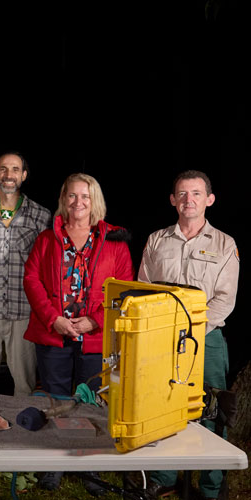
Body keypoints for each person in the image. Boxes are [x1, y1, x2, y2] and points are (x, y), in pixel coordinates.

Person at [23, 173, 134, 494]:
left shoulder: (114, 241)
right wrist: (53, 318)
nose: (78, 202)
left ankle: (89, 465)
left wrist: (95, 321)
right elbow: (31, 280)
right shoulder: (47, 239)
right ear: (63, 199)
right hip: (54, 332)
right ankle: (56, 463)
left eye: (85, 196)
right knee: (56, 399)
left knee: (91, 402)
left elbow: (124, 288)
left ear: (94, 200)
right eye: (72, 196)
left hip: (95, 337)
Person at [138, 170, 239, 500]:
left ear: (209, 199)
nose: (188, 200)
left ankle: (211, 486)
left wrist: (192, 328)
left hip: (206, 340)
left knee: (212, 409)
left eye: (196, 193)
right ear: (172, 200)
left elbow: (224, 299)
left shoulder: (225, 244)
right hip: (163, 339)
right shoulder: (156, 240)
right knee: (163, 408)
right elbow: (144, 289)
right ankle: (163, 476)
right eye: (182, 194)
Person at [0, 151, 51, 395]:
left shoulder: (41, 215)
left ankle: (22, 431)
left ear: (24, 175)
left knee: (25, 385)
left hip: (25, 312)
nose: (9, 175)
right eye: (4, 169)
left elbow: (45, 266)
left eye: (15, 169)